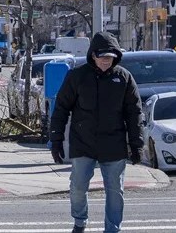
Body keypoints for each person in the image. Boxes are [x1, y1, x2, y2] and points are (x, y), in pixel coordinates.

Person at [48, 31, 143, 233]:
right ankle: (80, 221)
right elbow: (61, 109)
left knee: (115, 191)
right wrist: (55, 141)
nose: (106, 61)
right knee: (78, 187)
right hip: (84, 142)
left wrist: (136, 144)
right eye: (102, 57)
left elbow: (134, 113)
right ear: (93, 55)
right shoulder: (77, 77)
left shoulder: (124, 78)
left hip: (114, 143)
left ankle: (113, 229)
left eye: (110, 57)